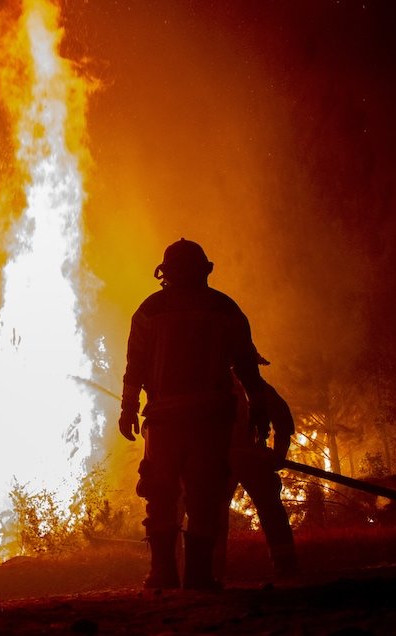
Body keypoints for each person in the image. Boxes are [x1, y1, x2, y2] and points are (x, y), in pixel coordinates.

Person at [119, 238, 267, 591]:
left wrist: (128, 408)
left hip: (165, 420)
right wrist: (258, 403)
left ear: (164, 273)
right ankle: (199, 576)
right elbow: (246, 364)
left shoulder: (149, 311)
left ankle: (162, 574)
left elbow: (134, 366)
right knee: (204, 495)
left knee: (161, 494)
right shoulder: (224, 308)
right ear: (204, 270)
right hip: (209, 420)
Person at [214, 374, 298, 581]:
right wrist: (279, 451)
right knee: (270, 509)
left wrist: (279, 451)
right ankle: (286, 566)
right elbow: (282, 416)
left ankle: (212, 573)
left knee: (214, 515)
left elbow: (281, 416)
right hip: (245, 458)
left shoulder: (211, 386)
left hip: (230, 460)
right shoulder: (250, 384)